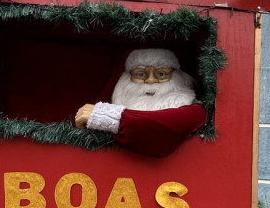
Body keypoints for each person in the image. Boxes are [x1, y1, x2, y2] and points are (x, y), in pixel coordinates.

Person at [74, 48, 207, 157]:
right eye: (140, 74)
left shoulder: (194, 111)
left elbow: (162, 135)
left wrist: (110, 117)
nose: (150, 81)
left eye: (161, 74)